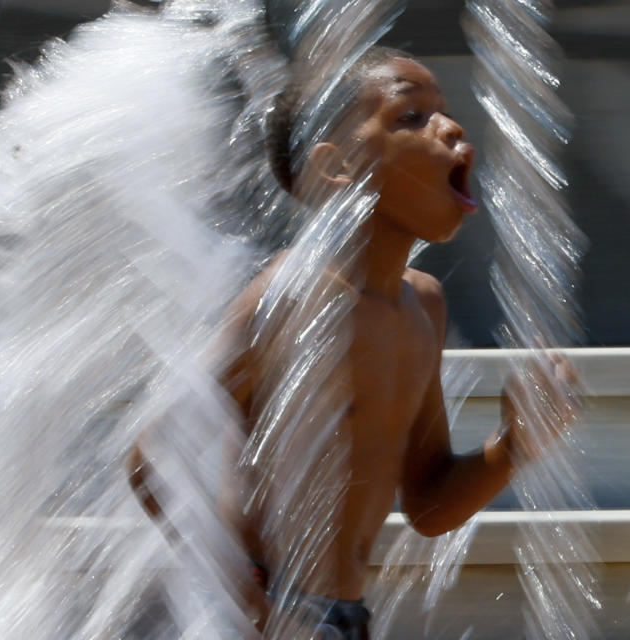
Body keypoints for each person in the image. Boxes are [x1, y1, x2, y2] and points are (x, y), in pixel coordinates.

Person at [130, 46, 580, 640]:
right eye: (411, 117)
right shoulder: (291, 297)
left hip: (343, 616)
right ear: (336, 165)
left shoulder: (422, 307)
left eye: (442, 111)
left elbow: (429, 503)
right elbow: (153, 457)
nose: (449, 128)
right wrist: (257, 610)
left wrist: (513, 446)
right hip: (260, 610)